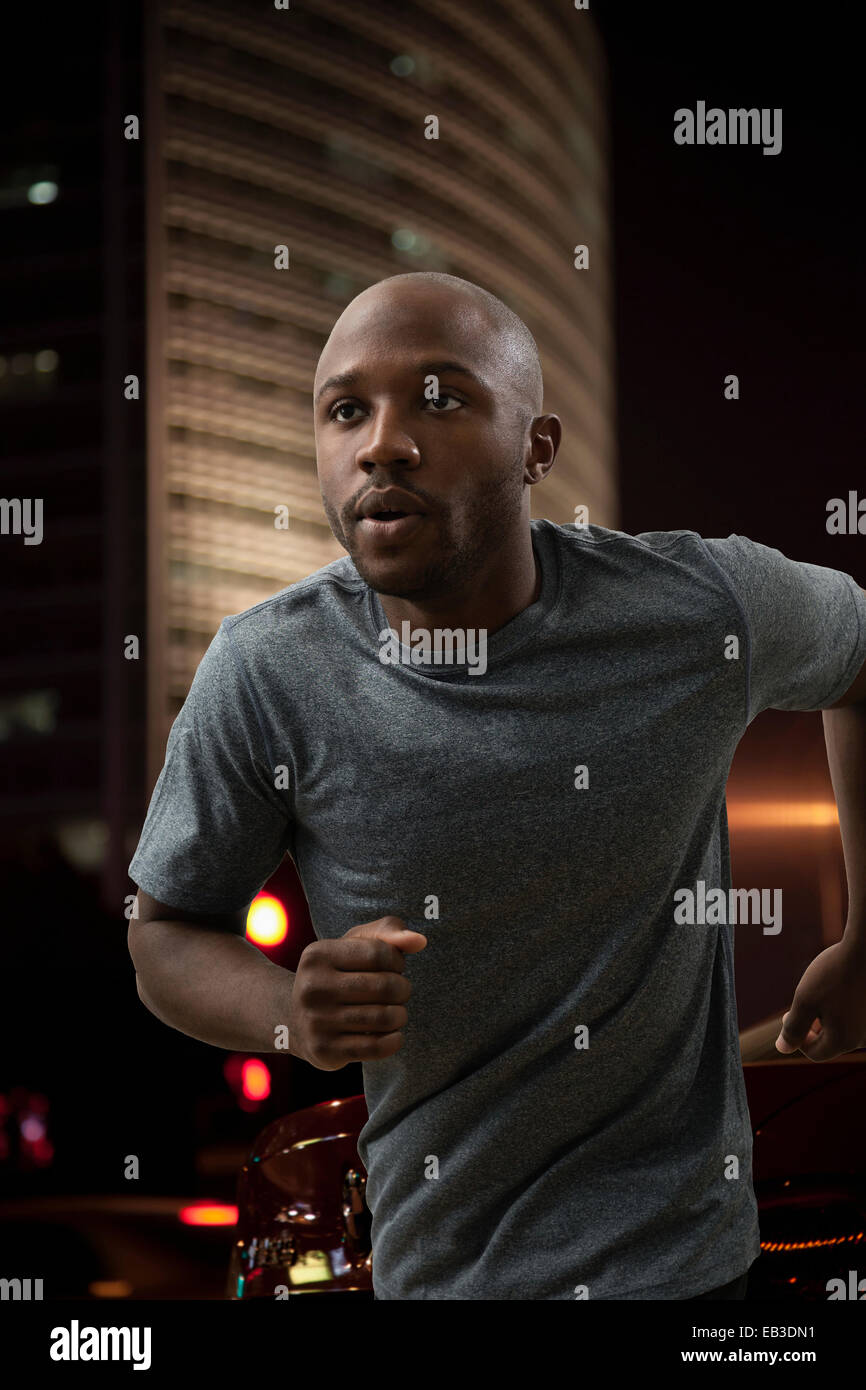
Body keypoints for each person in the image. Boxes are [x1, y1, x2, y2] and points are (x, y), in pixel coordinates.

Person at [127, 272, 866, 1300]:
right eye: (346, 409)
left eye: (438, 397)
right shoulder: (266, 671)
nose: (382, 441)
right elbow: (161, 934)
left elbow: (860, 656)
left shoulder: (699, 606)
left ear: (537, 449)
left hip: (695, 1284)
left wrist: (864, 933)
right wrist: (289, 1007)